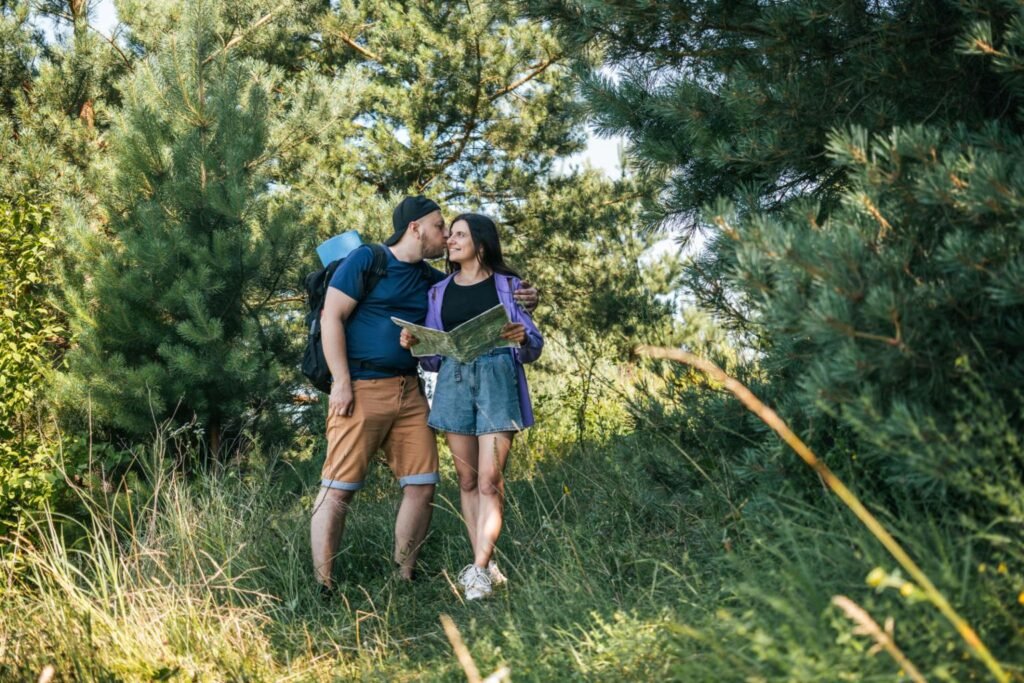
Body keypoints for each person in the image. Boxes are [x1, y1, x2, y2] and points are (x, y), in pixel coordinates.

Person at [310, 196, 537, 592]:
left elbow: (479, 297)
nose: (446, 234)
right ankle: (323, 585)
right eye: (439, 226)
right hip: (362, 387)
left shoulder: (434, 281)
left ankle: (404, 575)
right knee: (339, 486)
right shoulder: (368, 260)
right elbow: (332, 316)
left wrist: (528, 301)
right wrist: (341, 382)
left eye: (454, 230)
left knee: (423, 483)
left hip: (411, 391)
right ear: (415, 228)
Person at [400, 213, 543, 600]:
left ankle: (477, 570)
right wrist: (417, 345)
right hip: (454, 383)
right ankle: (486, 561)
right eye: (451, 235)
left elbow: (532, 345)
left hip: (498, 380)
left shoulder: (509, 286)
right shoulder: (439, 292)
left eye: (460, 234)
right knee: (465, 481)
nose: (451, 240)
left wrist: (521, 336)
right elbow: (433, 360)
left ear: (481, 243)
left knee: (488, 481)